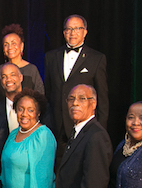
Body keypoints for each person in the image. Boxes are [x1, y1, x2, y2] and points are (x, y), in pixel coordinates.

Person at [44, 15, 109, 167]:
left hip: (83, 128)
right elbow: (48, 93)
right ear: (63, 32)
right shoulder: (51, 57)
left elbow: (102, 99)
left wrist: (100, 131)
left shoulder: (96, 58)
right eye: (69, 29)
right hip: (56, 127)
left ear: (85, 32)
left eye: (77, 29)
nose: (72, 33)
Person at [0, 24, 44, 95]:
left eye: (13, 43)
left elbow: (40, 94)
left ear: (22, 46)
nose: (10, 47)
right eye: (6, 44)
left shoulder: (32, 70)